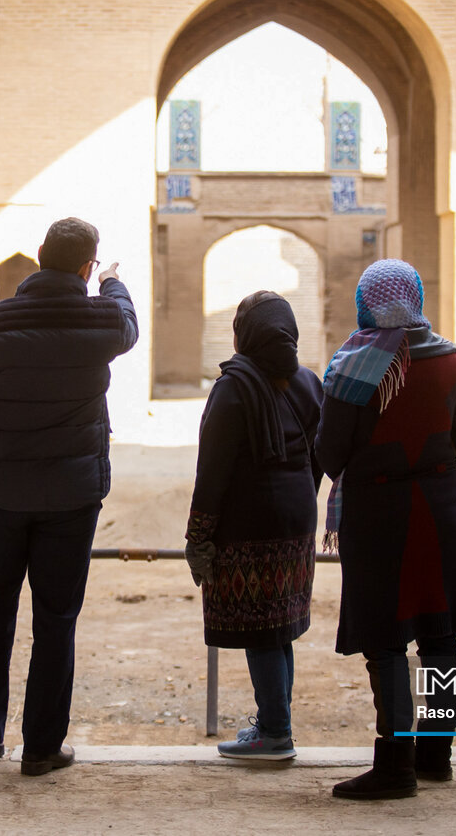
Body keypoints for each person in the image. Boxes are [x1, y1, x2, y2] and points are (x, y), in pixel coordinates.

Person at [0, 217, 138, 776]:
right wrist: (113, 283)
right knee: (56, 618)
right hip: (72, 499)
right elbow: (127, 324)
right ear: (85, 268)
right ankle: (43, 747)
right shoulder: (102, 318)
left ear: (36, 257)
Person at [315, 259, 456, 799]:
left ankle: (394, 766)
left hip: (378, 513)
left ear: (365, 304)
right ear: (417, 298)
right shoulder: (452, 361)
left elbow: (330, 452)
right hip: (438, 508)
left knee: (385, 640)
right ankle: (436, 756)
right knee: (439, 632)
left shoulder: (352, 367)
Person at [184, 291, 323, 760]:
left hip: (250, 523)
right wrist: (301, 495)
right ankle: (273, 722)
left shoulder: (234, 386)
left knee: (261, 625)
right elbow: (318, 458)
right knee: (279, 622)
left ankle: (276, 732)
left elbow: (213, 469)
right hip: (298, 517)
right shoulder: (307, 381)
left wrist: (198, 535)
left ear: (244, 334)